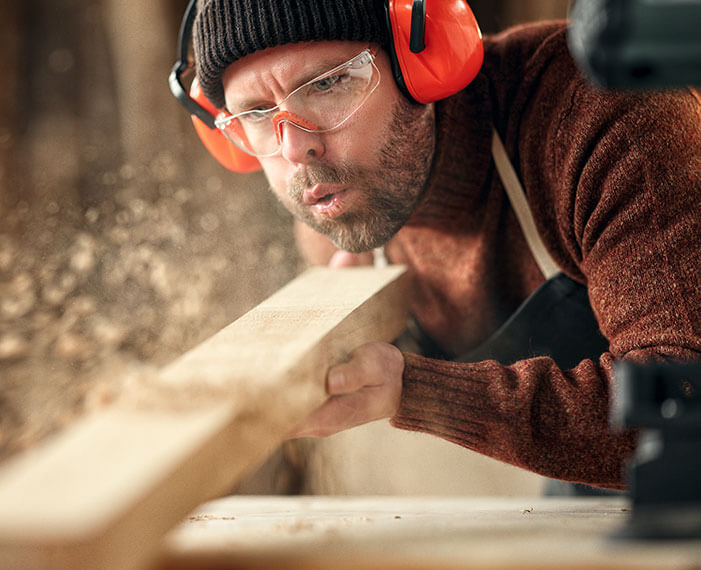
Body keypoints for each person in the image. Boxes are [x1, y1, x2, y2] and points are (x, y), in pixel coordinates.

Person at [170, 0, 701, 491]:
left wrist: (413, 389)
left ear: (422, 63)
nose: (298, 148)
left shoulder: (600, 119)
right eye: (259, 114)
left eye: (329, 84)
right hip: (603, 485)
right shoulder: (332, 203)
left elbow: (683, 409)